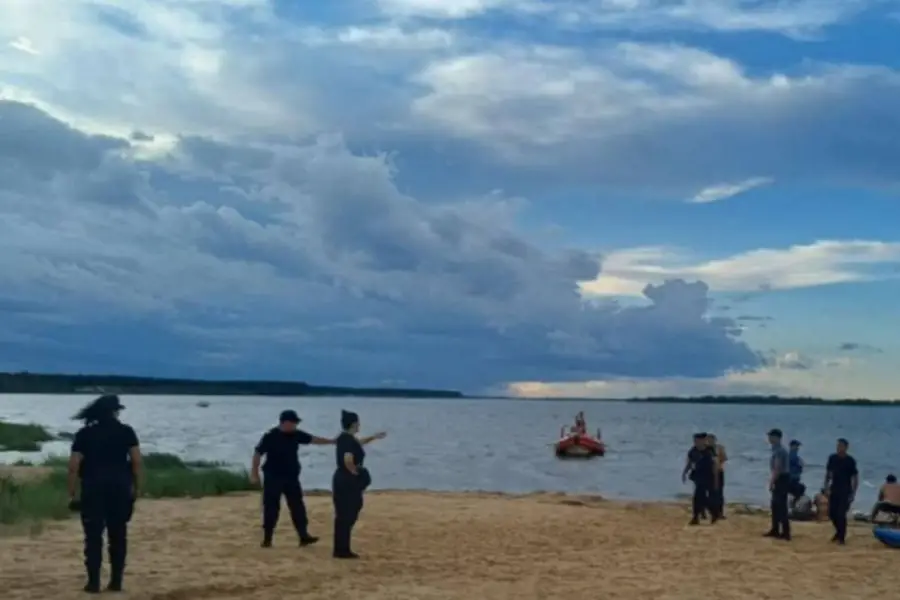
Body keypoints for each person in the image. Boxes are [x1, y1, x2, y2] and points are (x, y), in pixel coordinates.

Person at [66, 394, 142, 593]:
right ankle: (116, 581)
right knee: (118, 535)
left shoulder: (85, 434)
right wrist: (136, 487)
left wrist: (72, 492)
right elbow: (136, 462)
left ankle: (93, 583)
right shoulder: (126, 432)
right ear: (115, 411)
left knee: (92, 537)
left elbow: (74, 465)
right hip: (120, 489)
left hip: (93, 489)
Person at [250, 409, 336, 548]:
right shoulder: (270, 436)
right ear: (285, 422)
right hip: (273, 477)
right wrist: (254, 473)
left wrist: (332, 441)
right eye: (294, 422)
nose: (295, 425)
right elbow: (257, 453)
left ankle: (303, 536)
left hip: (291, 477)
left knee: (297, 507)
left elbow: (314, 439)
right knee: (271, 508)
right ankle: (267, 539)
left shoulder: (296, 434)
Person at [332, 410, 386, 558]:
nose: (359, 426)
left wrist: (374, 437)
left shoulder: (345, 438)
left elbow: (358, 443)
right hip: (347, 480)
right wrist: (356, 473)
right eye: (358, 423)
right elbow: (348, 459)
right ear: (354, 424)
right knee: (347, 514)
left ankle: (341, 548)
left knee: (343, 515)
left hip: (341, 478)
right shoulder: (348, 440)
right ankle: (342, 550)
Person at [823, 437, 858, 545]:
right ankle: (838, 532)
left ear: (846, 448)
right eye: (838, 446)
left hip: (845, 490)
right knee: (831, 513)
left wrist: (853, 493)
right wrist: (826, 487)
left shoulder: (850, 461)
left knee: (841, 514)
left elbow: (855, 477)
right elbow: (828, 474)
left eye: (841, 446)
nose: (839, 448)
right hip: (834, 488)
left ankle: (841, 537)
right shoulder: (832, 458)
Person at [682, 432, 717, 525]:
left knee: (703, 498)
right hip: (698, 476)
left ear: (703, 441)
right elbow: (689, 463)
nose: (696, 442)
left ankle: (712, 513)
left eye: (697, 441)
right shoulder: (693, 451)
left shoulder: (709, 451)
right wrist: (684, 473)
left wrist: (716, 478)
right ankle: (696, 517)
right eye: (695, 441)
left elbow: (715, 464)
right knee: (698, 497)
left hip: (708, 476)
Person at [764, 428, 791, 541]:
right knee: (775, 505)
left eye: (771, 436)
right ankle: (775, 529)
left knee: (780, 505)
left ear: (777, 438)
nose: (769, 438)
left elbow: (777, 468)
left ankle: (785, 532)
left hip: (782, 479)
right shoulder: (775, 449)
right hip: (780, 478)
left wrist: (772, 481)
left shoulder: (780, 450)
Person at [707, 433, 728, 519]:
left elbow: (724, 458)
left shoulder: (719, 448)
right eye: (708, 440)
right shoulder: (706, 449)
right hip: (708, 473)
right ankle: (712, 511)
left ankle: (720, 512)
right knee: (710, 493)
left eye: (712, 440)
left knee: (719, 493)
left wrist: (717, 462)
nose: (710, 441)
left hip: (719, 472)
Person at [788, 439, 805, 504]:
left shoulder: (795, 456)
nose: (798, 448)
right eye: (796, 446)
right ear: (792, 446)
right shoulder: (792, 456)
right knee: (800, 489)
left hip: (793, 479)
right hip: (791, 480)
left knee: (800, 489)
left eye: (798, 446)